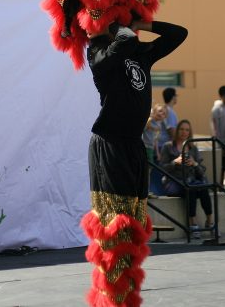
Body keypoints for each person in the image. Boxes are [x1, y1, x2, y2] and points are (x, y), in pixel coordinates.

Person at [82, 20, 188, 307]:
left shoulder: (140, 51)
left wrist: (143, 22)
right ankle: (112, 301)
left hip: (133, 146)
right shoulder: (98, 51)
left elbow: (179, 34)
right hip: (110, 144)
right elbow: (106, 60)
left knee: (134, 225)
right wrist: (120, 33)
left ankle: (126, 298)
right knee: (114, 228)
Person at [159, 119, 214, 232]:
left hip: (191, 180)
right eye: (182, 129)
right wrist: (175, 162)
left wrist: (194, 164)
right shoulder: (168, 146)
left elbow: (202, 171)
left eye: (187, 130)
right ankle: (192, 222)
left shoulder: (193, 148)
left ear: (190, 133)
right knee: (191, 189)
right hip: (173, 182)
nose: (184, 132)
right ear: (177, 130)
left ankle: (210, 221)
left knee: (202, 187)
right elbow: (162, 168)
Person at [142, 103, 168, 196]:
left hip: (151, 148)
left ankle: (147, 190)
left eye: (164, 113)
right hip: (145, 147)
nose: (162, 114)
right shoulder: (149, 120)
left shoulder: (159, 125)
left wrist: (157, 153)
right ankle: (145, 190)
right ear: (154, 111)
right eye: (160, 111)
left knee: (149, 169)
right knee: (146, 169)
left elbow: (155, 140)